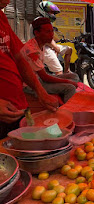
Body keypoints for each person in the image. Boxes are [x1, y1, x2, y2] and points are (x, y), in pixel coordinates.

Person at [0, 0, 59, 138]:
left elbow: (19, 58)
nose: (8, 1)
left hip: (18, 108)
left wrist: (41, 92)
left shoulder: (1, 18)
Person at [21, 17, 79, 103]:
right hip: (31, 85)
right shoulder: (32, 51)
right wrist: (67, 81)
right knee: (70, 88)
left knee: (74, 76)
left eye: (52, 31)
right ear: (37, 33)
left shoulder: (41, 44)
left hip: (39, 79)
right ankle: (67, 113)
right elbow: (44, 77)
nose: (52, 35)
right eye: (48, 32)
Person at [34, 1, 73, 75]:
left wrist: (56, 44)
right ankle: (60, 84)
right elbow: (46, 39)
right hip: (43, 48)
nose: (52, 14)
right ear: (43, 11)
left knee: (69, 49)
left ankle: (67, 70)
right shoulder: (40, 22)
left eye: (53, 12)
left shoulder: (46, 22)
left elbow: (51, 37)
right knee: (59, 71)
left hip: (48, 45)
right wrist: (55, 48)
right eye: (50, 12)